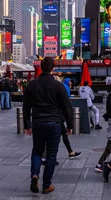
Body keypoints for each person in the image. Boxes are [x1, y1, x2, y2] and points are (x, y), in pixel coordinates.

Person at [23, 57, 73, 195]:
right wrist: (69, 125)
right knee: (51, 154)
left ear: (41, 67)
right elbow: (66, 107)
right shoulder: (58, 85)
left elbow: (26, 106)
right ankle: (46, 185)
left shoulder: (32, 85)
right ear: (53, 68)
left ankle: (34, 175)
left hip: (38, 122)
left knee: (37, 150)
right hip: (54, 123)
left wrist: (27, 124)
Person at [60, 78, 81, 159]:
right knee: (60, 136)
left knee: (64, 135)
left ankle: (71, 152)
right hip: (56, 118)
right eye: (69, 81)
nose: (71, 82)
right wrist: (70, 125)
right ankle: (70, 152)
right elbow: (66, 104)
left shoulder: (63, 87)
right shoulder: (64, 87)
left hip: (56, 117)